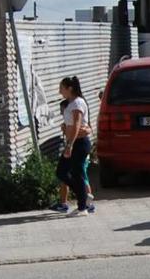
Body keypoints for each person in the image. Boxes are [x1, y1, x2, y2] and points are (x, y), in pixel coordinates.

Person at [55, 76, 93, 217]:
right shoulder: (71, 103)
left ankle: (82, 207)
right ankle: (83, 195)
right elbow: (72, 124)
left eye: (62, 88)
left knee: (76, 174)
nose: (60, 92)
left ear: (69, 88)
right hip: (73, 142)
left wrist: (70, 145)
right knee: (62, 172)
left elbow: (77, 124)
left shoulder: (77, 103)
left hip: (78, 144)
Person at [49, 99, 95, 213]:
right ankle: (65, 202)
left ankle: (88, 202)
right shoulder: (68, 122)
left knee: (81, 177)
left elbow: (85, 130)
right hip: (72, 149)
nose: (62, 113)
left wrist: (70, 142)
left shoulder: (77, 115)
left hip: (78, 150)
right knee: (67, 176)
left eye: (63, 111)